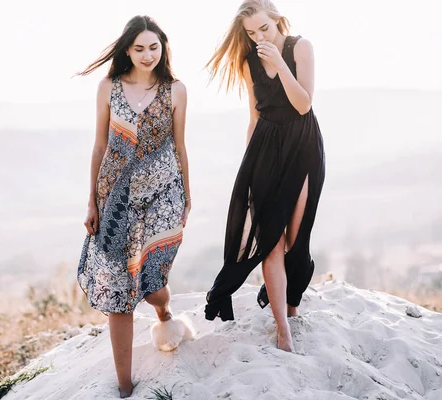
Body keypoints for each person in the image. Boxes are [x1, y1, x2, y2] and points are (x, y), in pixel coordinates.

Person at [76, 15, 194, 398]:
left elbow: (179, 146)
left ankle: (162, 311)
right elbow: (99, 146)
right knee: (119, 288)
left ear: (163, 48)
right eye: (140, 48)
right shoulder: (108, 88)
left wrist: (187, 194)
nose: (147, 55)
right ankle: (125, 387)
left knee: (150, 282)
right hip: (115, 197)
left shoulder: (176, 90)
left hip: (162, 194)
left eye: (154, 47)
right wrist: (92, 199)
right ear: (127, 49)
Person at [204, 0, 326, 353]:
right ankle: (282, 328)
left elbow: (303, 103)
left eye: (264, 29)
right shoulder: (248, 62)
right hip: (265, 150)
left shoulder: (301, 47)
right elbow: (254, 116)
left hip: (302, 146)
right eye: (251, 33)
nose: (258, 38)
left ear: (278, 21)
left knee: (295, 240)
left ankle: (292, 304)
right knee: (269, 240)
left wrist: (280, 66)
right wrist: (250, 165)